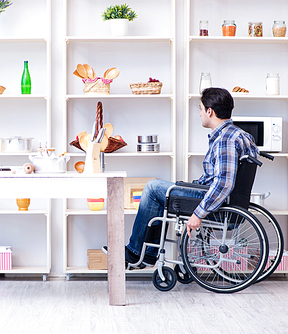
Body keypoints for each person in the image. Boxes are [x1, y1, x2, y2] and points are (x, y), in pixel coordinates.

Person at [105, 87, 259, 268]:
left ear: (210, 112)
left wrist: (198, 213)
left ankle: (136, 252)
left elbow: (224, 183)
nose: (200, 114)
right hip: (220, 197)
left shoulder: (225, 139)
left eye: (201, 109)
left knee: (152, 188)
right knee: (164, 191)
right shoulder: (241, 134)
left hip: (212, 200)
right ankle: (146, 254)